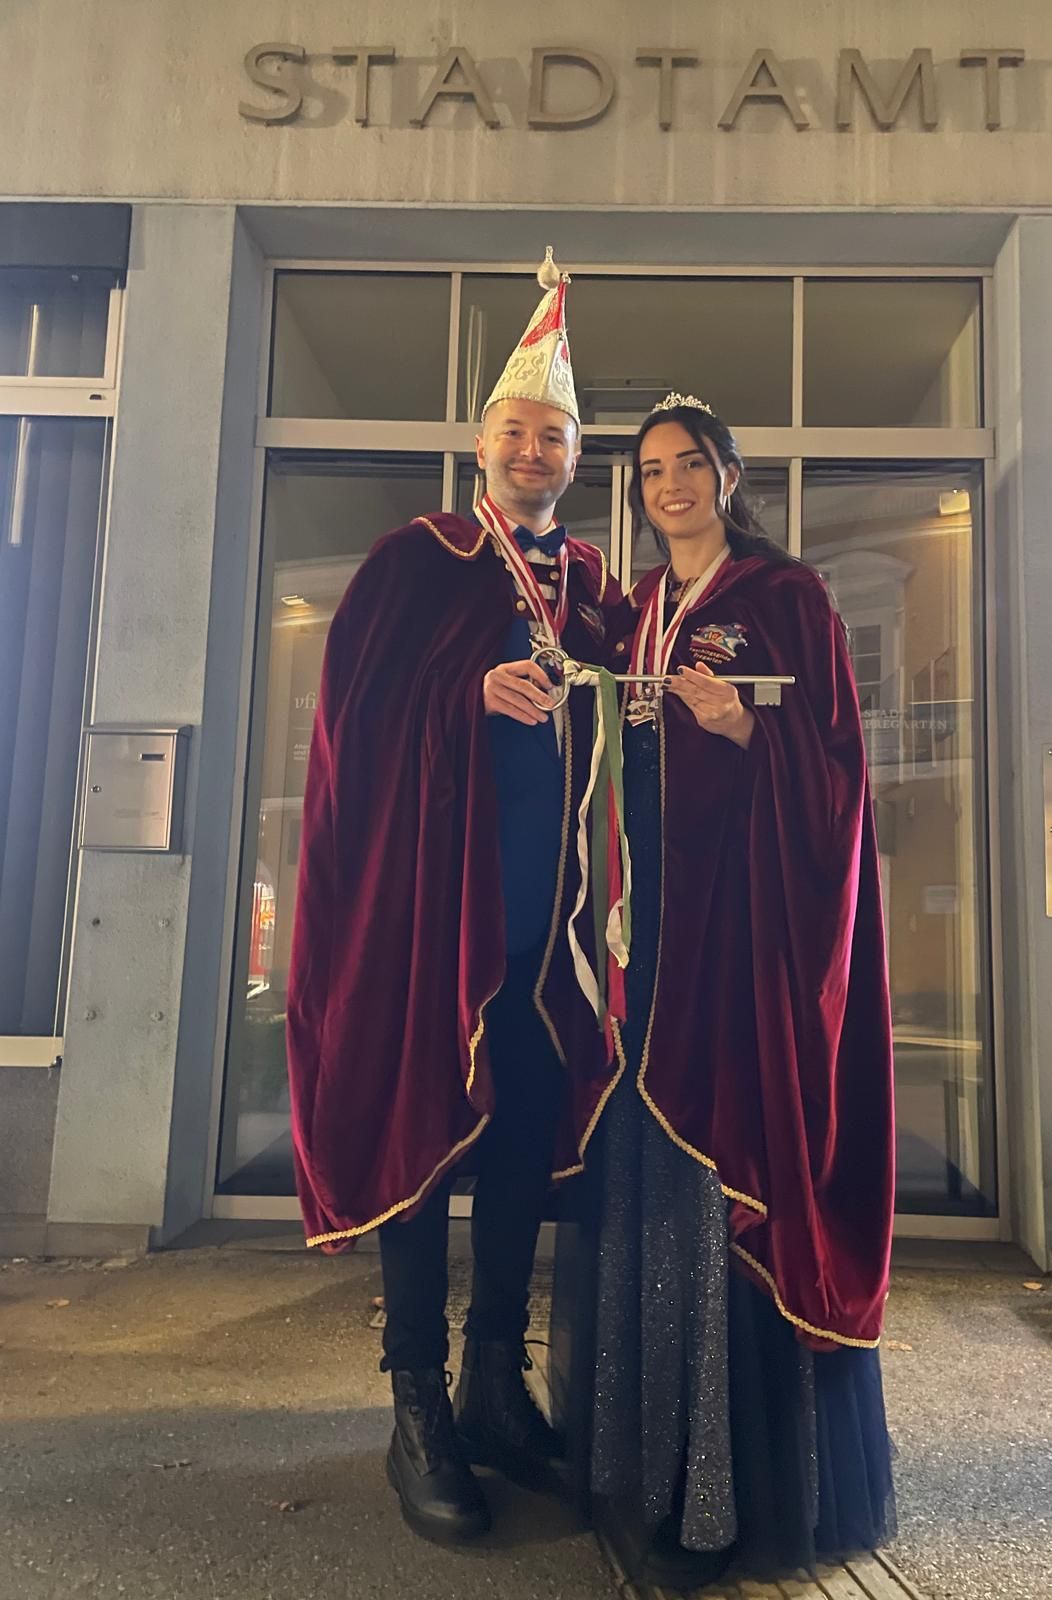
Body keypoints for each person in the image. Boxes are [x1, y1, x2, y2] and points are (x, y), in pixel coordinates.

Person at [286, 251, 623, 1547]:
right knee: (428, 1147)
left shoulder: (589, 585)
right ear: (480, 447)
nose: (535, 452)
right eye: (518, 431)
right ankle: (415, 1404)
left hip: (551, 949)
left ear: (574, 459)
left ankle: (495, 1379)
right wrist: (461, 696)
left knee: (525, 1150)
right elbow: (347, 729)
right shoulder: (412, 565)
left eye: (555, 436)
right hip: (436, 931)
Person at [551, 394, 896, 1587]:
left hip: (742, 958)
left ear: (731, 474)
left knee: (719, 1189)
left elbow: (843, 777)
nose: (671, 485)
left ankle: (728, 1496)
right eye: (651, 471)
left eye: (691, 463)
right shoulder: (638, 615)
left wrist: (751, 733)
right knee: (645, 1201)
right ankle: (644, 1472)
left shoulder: (786, 600)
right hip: (646, 962)